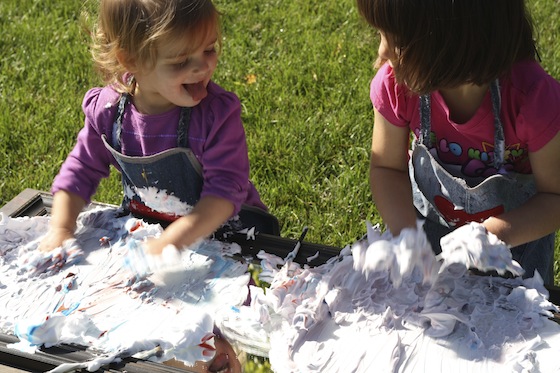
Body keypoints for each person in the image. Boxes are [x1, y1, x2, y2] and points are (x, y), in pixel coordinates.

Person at [39, 0, 279, 256]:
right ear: (131, 59)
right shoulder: (109, 112)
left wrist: (173, 240)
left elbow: (225, 191)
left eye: (209, 49)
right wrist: (61, 229)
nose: (202, 67)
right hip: (151, 234)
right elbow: (80, 170)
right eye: (180, 61)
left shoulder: (215, 116)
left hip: (237, 241)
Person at [357, 0, 560, 285]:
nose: (382, 52)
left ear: (452, 46)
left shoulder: (533, 101)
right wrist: (407, 238)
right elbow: (387, 169)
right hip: (428, 236)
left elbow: (554, 198)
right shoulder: (396, 85)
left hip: (517, 251)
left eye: (398, 41)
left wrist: (492, 236)